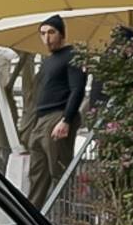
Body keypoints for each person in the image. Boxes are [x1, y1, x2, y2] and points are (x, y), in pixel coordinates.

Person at [22, 13, 86, 207]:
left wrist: (66, 120)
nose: (47, 38)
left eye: (51, 32)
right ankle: (32, 216)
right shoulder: (48, 61)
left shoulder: (72, 55)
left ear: (61, 34)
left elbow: (77, 89)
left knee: (59, 171)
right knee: (36, 174)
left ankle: (65, 218)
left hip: (58, 116)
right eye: (42, 33)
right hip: (41, 119)